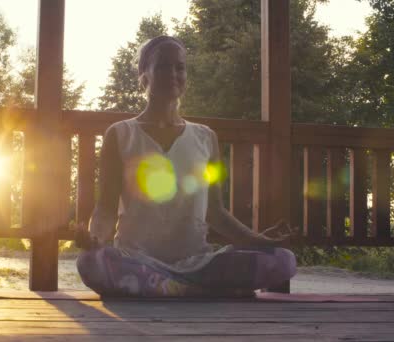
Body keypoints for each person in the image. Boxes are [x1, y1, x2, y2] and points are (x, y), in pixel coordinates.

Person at [75, 35, 296, 297]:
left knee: (283, 259)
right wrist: (96, 239)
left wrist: (257, 240)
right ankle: (193, 289)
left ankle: (169, 286)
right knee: (91, 263)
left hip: (196, 263)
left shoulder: (205, 137)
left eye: (179, 67)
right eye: (162, 66)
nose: (173, 74)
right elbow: (106, 208)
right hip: (137, 260)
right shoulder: (120, 134)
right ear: (143, 75)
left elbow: (216, 212)